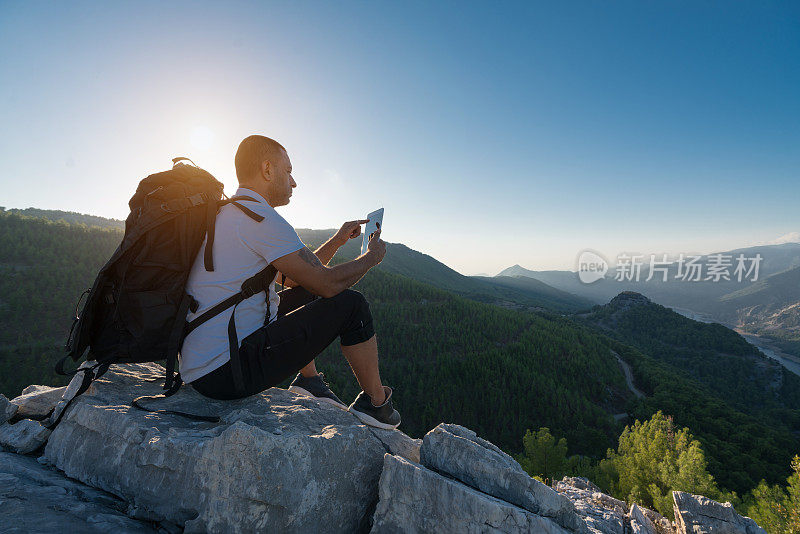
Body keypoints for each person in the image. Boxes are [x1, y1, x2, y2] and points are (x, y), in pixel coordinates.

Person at [179, 134, 400, 429]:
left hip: (201, 365)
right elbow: (326, 284)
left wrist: (337, 239)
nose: (293, 182)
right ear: (267, 170)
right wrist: (371, 257)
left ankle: (309, 382)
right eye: (288, 171)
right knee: (352, 305)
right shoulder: (262, 220)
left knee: (305, 296)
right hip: (225, 374)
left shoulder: (227, 214)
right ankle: (377, 405)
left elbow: (301, 281)